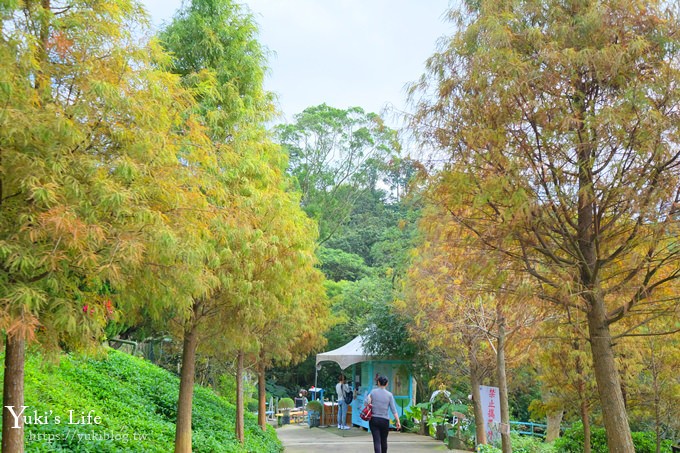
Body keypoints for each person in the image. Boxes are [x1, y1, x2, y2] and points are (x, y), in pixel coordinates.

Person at [366, 375, 401, 453]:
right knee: (384, 440)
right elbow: (393, 410)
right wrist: (398, 421)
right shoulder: (389, 395)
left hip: (374, 419)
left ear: (378, 383)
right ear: (387, 384)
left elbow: (366, 403)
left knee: (377, 441)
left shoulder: (373, 392)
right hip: (385, 420)